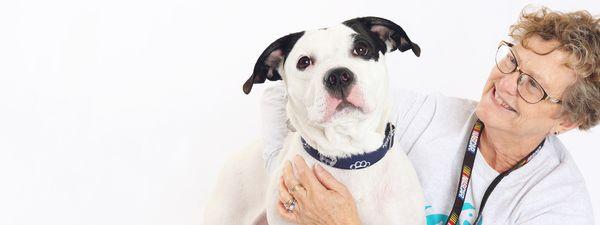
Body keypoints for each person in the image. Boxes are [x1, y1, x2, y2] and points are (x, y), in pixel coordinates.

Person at [260, 6, 599, 225]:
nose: (506, 83)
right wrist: (282, 181)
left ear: (566, 122)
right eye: (512, 61)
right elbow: (281, 94)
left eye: (532, 85)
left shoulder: (558, 207)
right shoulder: (428, 117)